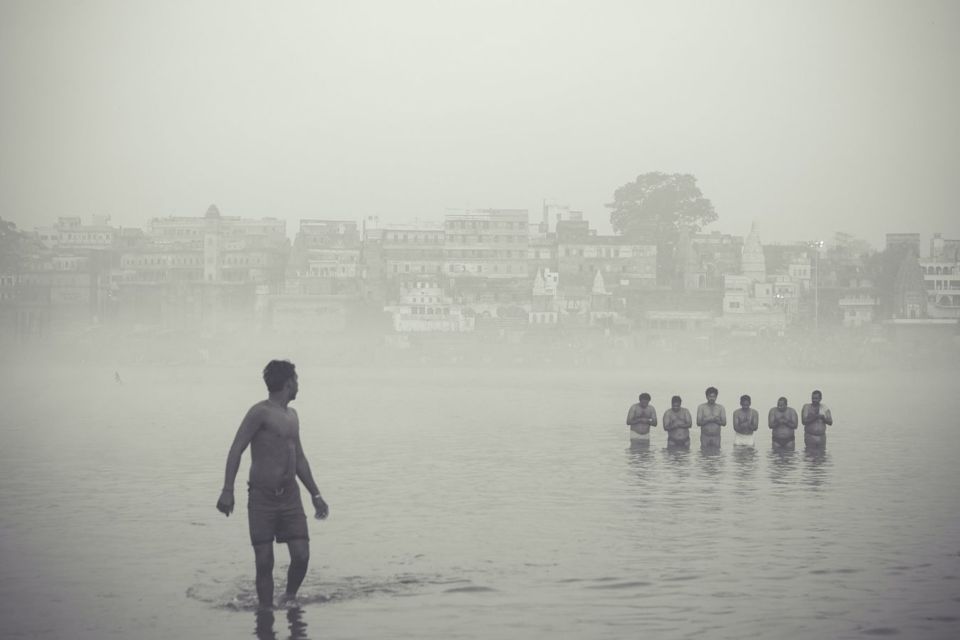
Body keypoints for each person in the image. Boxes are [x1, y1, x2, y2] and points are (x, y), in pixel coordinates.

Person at [216, 360, 330, 611]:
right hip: (262, 497)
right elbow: (237, 448)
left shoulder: (292, 416)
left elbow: (299, 457)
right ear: (288, 382)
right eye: (296, 380)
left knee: (301, 555)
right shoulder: (260, 412)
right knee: (264, 561)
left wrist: (316, 494)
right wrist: (227, 489)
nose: (298, 384)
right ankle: (265, 613)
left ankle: (289, 598)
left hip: (290, 496)